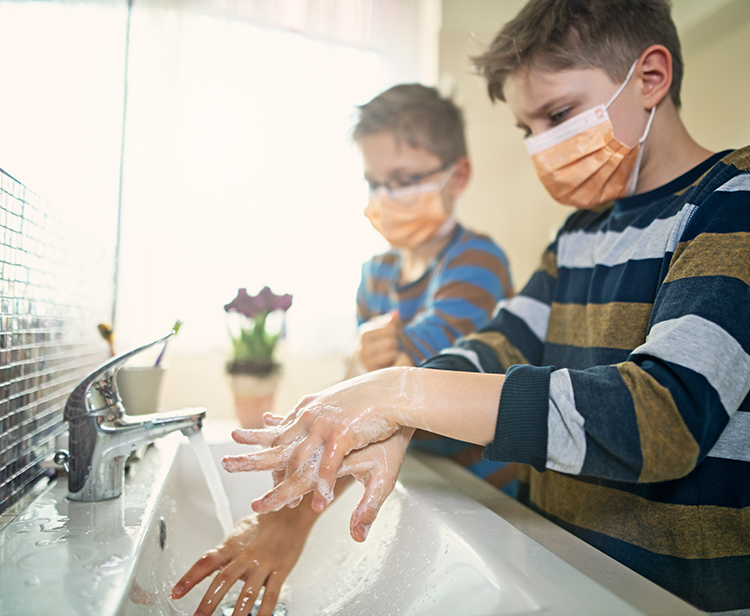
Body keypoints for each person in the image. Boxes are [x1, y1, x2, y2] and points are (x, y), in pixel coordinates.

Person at [224, 1, 750, 613]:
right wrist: (403, 417)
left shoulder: (731, 204)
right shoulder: (578, 234)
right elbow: (497, 346)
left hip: (681, 597)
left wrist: (403, 392)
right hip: (561, 575)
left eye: (559, 114)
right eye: (530, 129)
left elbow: (664, 419)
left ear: (651, 77)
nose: (543, 147)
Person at [171, 84, 515, 616]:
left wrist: (287, 519)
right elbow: (366, 388)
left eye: (404, 180)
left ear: (458, 175)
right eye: (375, 183)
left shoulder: (478, 262)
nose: (387, 197)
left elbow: (402, 389)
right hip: (421, 471)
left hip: (482, 494)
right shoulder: (375, 273)